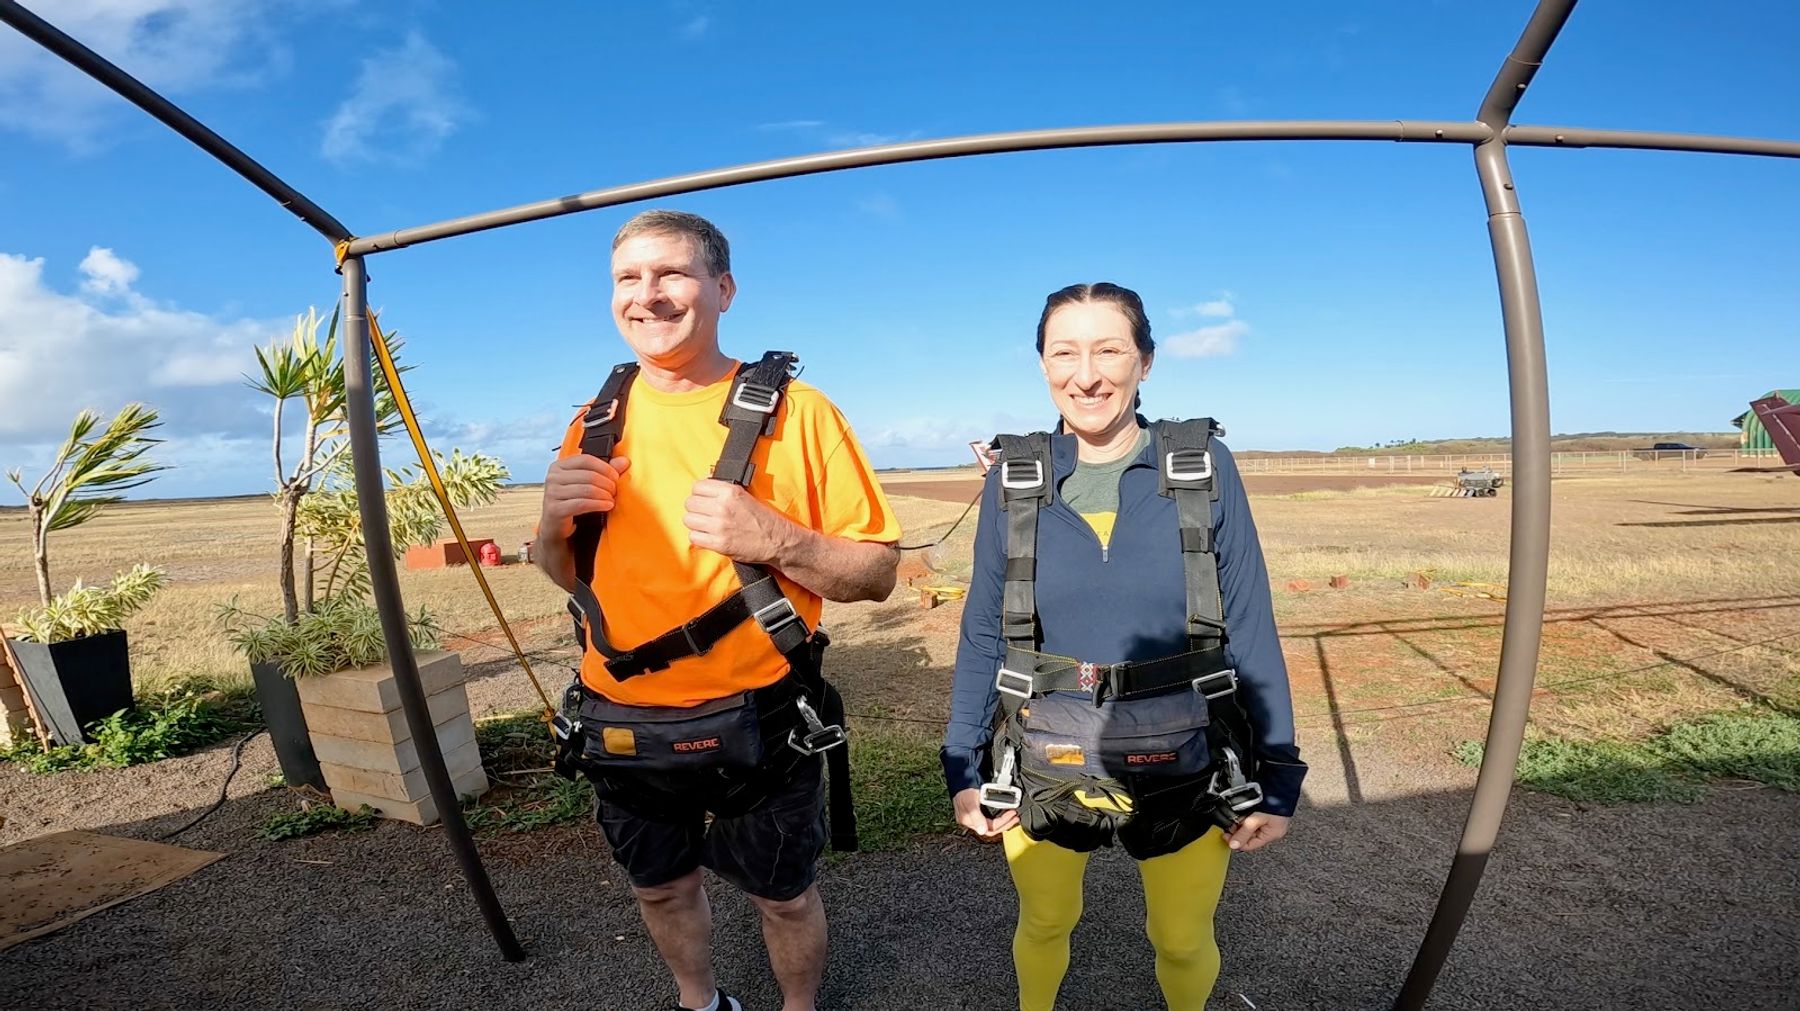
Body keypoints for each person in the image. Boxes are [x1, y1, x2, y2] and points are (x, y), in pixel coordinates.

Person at [536, 210, 901, 1011]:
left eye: (671, 273)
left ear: (723, 288)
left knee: (784, 897)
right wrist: (546, 528)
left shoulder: (799, 414)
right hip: (620, 719)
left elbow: (876, 571)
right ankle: (700, 1003)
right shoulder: (594, 421)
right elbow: (571, 574)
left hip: (760, 719)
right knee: (660, 892)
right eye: (628, 278)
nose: (648, 295)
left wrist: (776, 536)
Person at [941, 282, 1306, 1011]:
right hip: (1044, 749)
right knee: (1045, 919)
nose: (1087, 374)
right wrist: (961, 761)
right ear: (1041, 363)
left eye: (1109, 349)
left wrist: (1281, 770)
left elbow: (1253, 624)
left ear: (1147, 361)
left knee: (1179, 934)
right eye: (1064, 351)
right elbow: (983, 631)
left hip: (1186, 750)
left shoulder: (1202, 467)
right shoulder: (1016, 479)